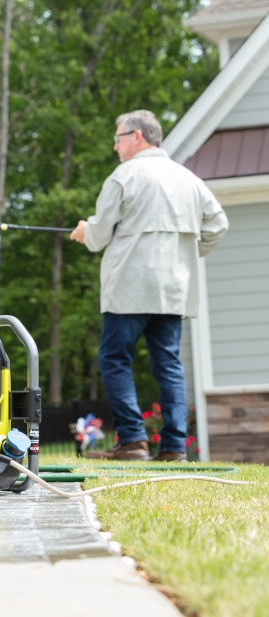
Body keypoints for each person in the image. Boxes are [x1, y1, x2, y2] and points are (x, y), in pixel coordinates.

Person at [70, 110, 229, 461]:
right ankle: (174, 448)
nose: (116, 146)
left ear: (137, 136)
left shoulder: (125, 176)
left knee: (114, 358)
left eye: (118, 138)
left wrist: (85, 230)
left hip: (129, 286)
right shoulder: (188, 179)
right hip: (173, 289)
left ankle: (133, 441)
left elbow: (98, 235)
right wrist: (187, 252)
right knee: (168, 363)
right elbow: (218, 225)